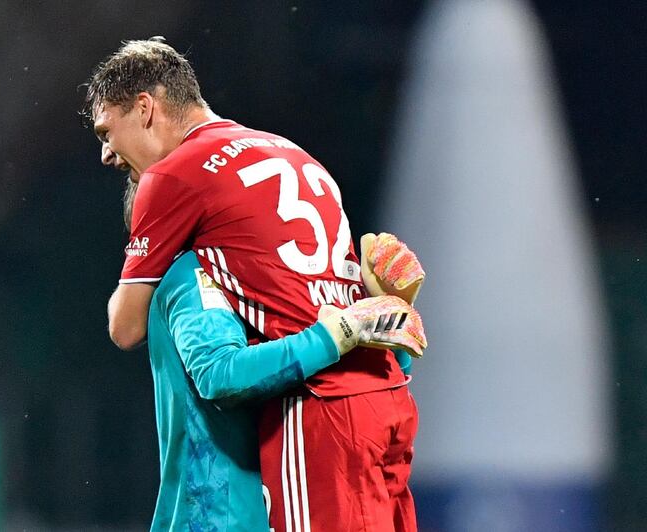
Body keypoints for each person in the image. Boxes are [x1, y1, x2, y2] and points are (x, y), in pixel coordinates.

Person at [83, 37, 426, 531]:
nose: (106, 154)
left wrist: (340, 332)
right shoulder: (296, 156)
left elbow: (126, 327)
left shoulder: (174, 178)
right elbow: (336, 307)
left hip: (317, 408)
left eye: (106, 132)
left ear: (144, 108)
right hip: (386, 395)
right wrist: (385, 305)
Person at [145, 250, 423, 530]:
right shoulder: (197, 272)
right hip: (221, 517)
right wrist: (336, 334)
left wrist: (385, 322)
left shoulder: (285, 261)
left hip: (301, 498)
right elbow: (218, 375)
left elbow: (378, 387)